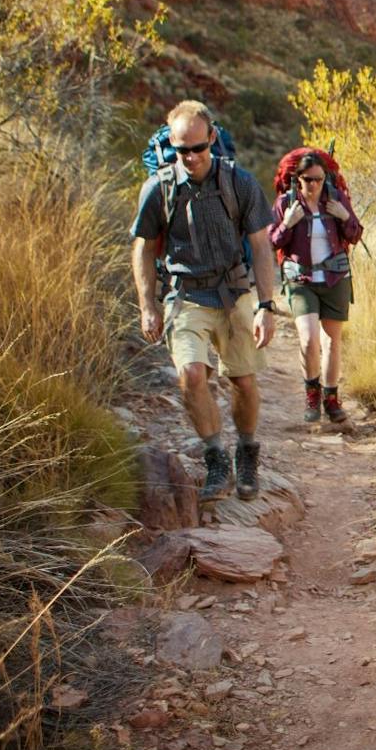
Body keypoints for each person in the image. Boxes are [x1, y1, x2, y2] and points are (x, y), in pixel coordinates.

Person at [131, 101, 279, 503]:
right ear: (172, 146)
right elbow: (144, 249)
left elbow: (261, 246)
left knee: (243, 382)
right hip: (186, 294)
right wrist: (148, 305)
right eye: (182, 150)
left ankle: (246, 451)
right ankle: (216, 456)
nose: (191, 157)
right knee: (192, 375)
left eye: (197, 147)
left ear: (212, 138)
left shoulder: (239, 183)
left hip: (233, 291)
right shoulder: (159, 188)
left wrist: (266, 305)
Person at [268, 150, 361, 424]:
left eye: (319, 180)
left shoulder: (335, 198)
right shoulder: (286, 203)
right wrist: (287, 224)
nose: (314, 185)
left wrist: (344, 216)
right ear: (298, 179)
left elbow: (355, 234)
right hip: (301, 280)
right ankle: (312, 393)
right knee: (309, 340)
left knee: (332, 342)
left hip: (335, 277)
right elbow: (271, 241)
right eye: (308, 180)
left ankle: (331, 399)